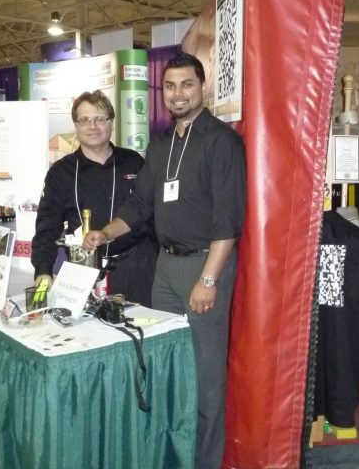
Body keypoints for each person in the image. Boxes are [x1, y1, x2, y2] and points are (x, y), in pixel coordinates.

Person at [84, 53, 246, 469]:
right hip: (165, 269)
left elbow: (228, 222)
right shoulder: (161, 144)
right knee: (166, 364)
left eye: (186, 85)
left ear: (203, 87)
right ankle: (171, 453)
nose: (177, 94)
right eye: (170, 86)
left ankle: (205, 462)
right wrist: (105, 232)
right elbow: (139, 208)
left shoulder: (221, 142)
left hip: (203, 267)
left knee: (207, 376)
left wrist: (209, 280)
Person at [31, 90, 156, 308]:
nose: (93, 126)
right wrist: (43, 270)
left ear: (111, 123)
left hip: (137, 270)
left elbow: (152, 214)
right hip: (83, 274)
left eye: (100, 119)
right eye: (85, 120)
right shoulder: (61, 173)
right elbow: (47, 227)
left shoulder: (134, 162)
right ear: (76, 126)